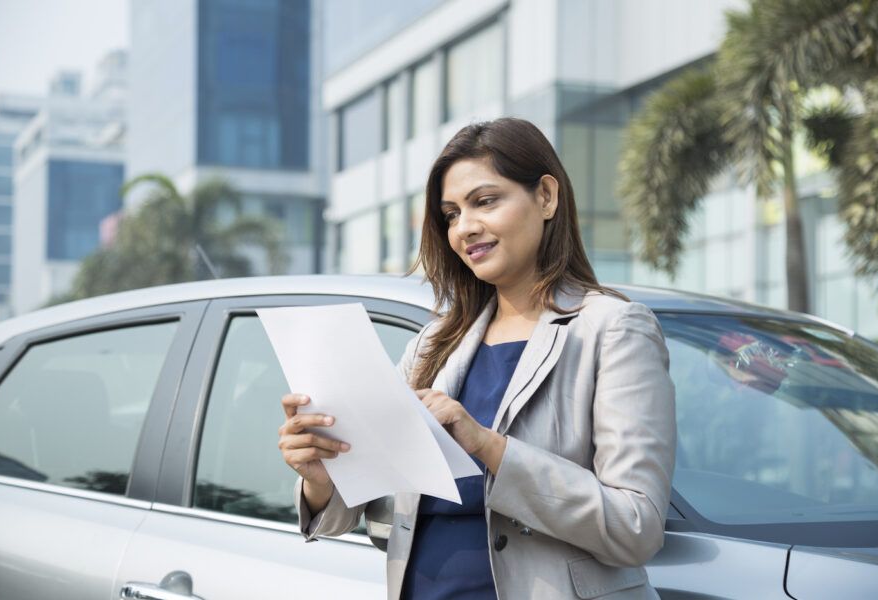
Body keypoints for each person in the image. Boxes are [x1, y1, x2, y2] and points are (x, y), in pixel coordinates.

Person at [278, 117, 676, 600]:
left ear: (546, 197)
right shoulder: (432, 344)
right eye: (450, 214)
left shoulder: (612, 329)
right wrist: (323, 477)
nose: (465, 227)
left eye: (485, 201)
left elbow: (636, 527)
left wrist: (490, 447)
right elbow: (375, 509)